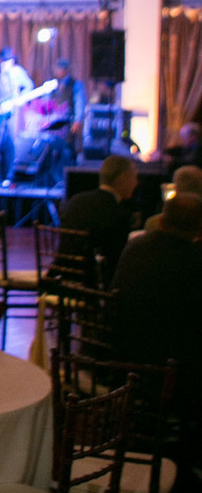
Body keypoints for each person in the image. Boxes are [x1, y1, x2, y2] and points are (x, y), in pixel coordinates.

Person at [113, 191, 202, 395]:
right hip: (174, 370)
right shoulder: (195, 261)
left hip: (124, 356)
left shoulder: (134, 247)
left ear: (162, 220)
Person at [59, 153, 139, 284]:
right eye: (134, 177)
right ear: (123, 179)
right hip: (89, 284)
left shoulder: (76, 201)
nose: (136, 183)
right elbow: (116, 260)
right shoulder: (117, 213)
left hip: (61, 276)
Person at [0, 48, 34, 185]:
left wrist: (20, 98)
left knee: (9, 144)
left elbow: (29, 86)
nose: (4, 64)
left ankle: (7, 176)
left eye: (7, 61)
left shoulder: (18, 72)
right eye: (2, 61)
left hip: (10, 114)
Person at [46, 58, 86, 171]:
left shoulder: (75, 85)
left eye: (58, 68)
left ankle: (69, 174)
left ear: (65, 70)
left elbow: (80, 103)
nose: (56, 71)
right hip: (55, 125)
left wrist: (78, 120)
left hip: (69, 123)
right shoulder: (53, 85)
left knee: (68, 150)